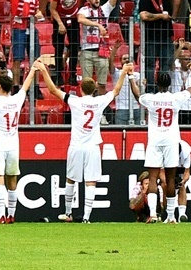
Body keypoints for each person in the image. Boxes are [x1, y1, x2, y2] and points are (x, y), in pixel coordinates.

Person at [35, 59, 133, 223]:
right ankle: (86, 217)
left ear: (80, 89)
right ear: (95, 90)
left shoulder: (75, 101)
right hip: (92, 146)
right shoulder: (99, 101)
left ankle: (68, 213)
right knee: (91, 181)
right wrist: (123, 72)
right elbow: (115, 91)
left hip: (76, 145)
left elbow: (52, 90)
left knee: (70, 179)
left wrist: (44, 71)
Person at [129, 64, 191, 223]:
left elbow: (136, 93)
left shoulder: (151, 99)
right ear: (169, 85)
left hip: (154, 141)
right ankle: (171, 216)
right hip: (172, 140)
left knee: (153, 178)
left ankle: (153, 214)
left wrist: (131, 77)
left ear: (156, 82)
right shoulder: (176, 98)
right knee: (171, 178)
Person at [0, 60, 38, 223]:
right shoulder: (16, 100)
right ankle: (12, 215)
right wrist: (33, 70)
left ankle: (1, 215)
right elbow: (26, 86)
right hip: (13, 146)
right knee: (12, 180)